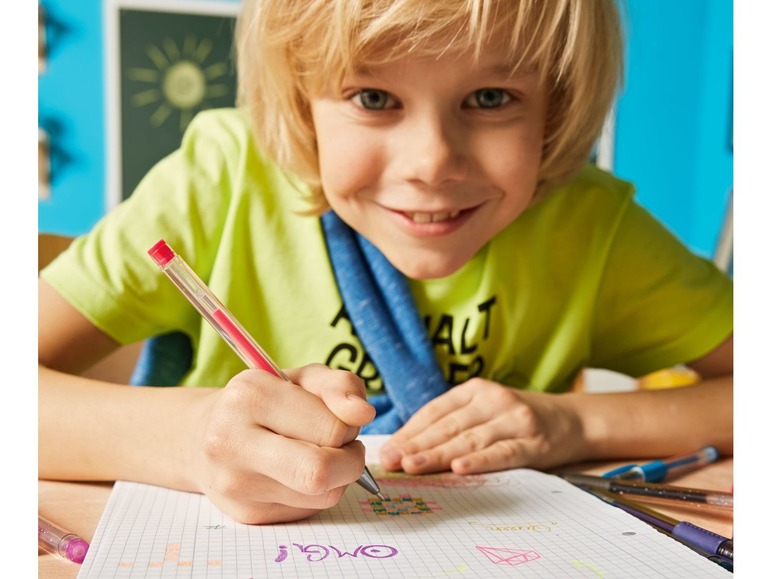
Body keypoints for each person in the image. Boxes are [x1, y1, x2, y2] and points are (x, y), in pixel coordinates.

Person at [38, 0, 732, 525]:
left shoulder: (590, 225)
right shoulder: (217, 182)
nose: (431, 163)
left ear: (557, 107)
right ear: (302, 107)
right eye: (373, 98)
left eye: (490, 98)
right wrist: (196, 439)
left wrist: (573, 424)